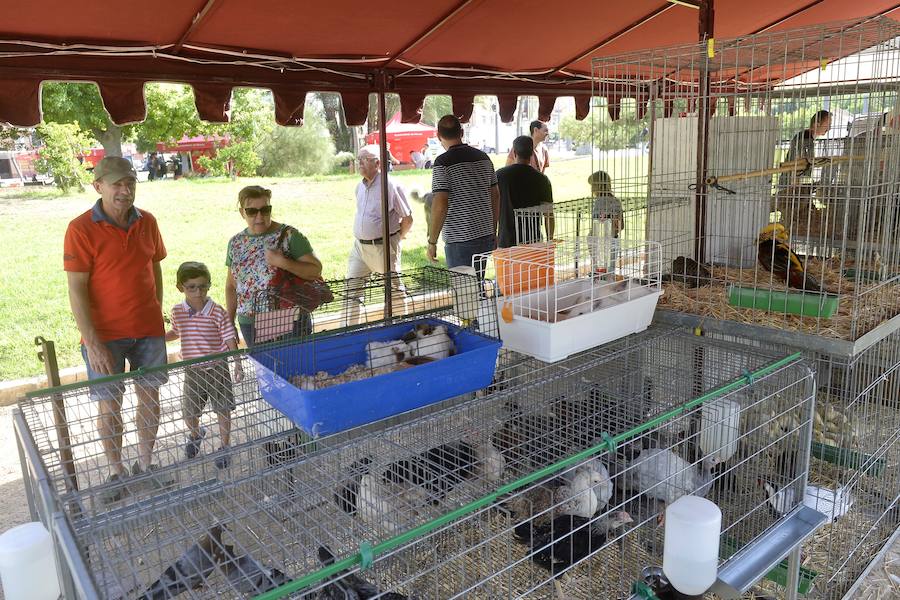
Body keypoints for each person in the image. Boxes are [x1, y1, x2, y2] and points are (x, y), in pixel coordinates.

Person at [63, 156, 169, 502]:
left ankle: (145, 465)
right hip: (105, 336)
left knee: (150, 397)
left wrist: (155, 310)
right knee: (109, 404)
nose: (125, 190)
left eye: (130, 183)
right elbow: (76, 289)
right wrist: (93, 343)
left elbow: (155, 269)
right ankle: (115, 472)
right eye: (116, 184)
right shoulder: (80, 229)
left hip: (147, 329)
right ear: (99, 187)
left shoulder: (148, 222)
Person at [166, 262, 243, 469]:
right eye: (191, 287)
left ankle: (225, 446)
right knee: (189, 412)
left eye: (202, 286)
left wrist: (237, 363)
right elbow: (176, 331)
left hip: (217, 367)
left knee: (223, 408)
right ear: (181, 287)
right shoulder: (177, 311)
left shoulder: (217, 312)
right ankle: (195, 433)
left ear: (209, 285)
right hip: (193, 370)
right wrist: (158, 338)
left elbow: (229, 338)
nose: (198, 292)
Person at [225, 185, 323, 346]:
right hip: (249, 321)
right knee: (265, 369)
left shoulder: (289, 235)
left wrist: (283, 262)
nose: (259, 217)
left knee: (295, 367)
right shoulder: (235, 242)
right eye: (251, 211)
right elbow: (231, 285)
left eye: (265, 210)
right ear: (242, 212)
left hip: (286, 317)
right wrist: (229, 321)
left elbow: (315, 270)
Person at [345, 145, 414, 324]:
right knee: (350, 289)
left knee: (394, 290)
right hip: (359, 248)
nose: (359, 162)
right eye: (358, 158)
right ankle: (347, 331)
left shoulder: (390, 185)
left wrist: (397, 238)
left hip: (382, 246)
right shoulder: (359, 186)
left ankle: (399, 326)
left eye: (364, 159)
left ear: (377, 163)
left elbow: (407, 219)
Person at [427, 115, 500, 273]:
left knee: (464, 292)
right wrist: (493, 231)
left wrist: (432, 241)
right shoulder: (484, 158)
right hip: (485, 233)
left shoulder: (442, 163)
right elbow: (495, 195)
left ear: (438, 136)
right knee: (477, 285)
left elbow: (440, 204)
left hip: (459, 238)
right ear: (461, 132)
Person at [496, 135, 553, 247]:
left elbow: (492, 206)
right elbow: (549, 213)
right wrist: (550, 241)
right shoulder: (541, 179)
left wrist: (493, 234)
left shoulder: (500, 176)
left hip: (506, 240)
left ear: (514, 153)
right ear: (532, 153)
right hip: (533, 240)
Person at [589, 170, 624, 274]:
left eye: (592, 186)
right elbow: (621, 226)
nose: (591, 189)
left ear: (597, 186)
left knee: (598, 270)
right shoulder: (616, 201)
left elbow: (597, 222)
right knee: (609, 270)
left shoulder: (598, 202)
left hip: (597, 241)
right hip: (612, 239)